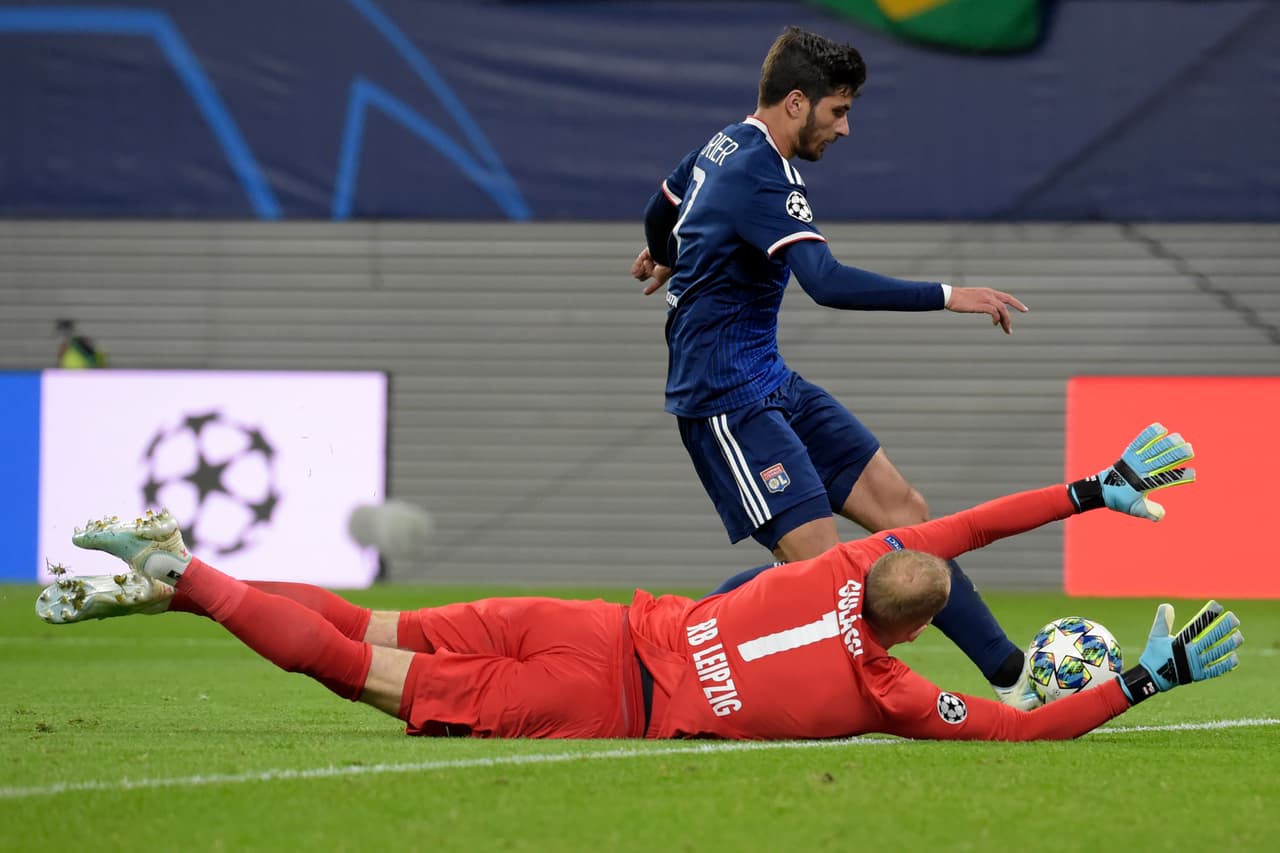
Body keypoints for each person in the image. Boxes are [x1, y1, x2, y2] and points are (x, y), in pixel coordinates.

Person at [37, 423, 1239, 741]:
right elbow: (1023, 736)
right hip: (606, 703)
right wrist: (1147, 675)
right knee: (365, 673)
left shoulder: (839, 560)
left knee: (369, 617)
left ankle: (190, 568)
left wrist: (1088, 487)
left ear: (873, 563)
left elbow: (968, 524)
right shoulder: (893, 695)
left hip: (601, 623)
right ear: (913, 640)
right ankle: (189, 580)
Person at [629, 26, 1035, 705]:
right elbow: (826, 282)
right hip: (725, 401)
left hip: (771, 380)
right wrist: (948, 295)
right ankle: (660, 653)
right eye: (838, 110)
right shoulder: (763, 174)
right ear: (796, 102)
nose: (845, 128)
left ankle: (1016, 678)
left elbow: (661, 206)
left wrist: (667, 249)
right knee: (822, 576)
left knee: (907, 513)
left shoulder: (723, 142)